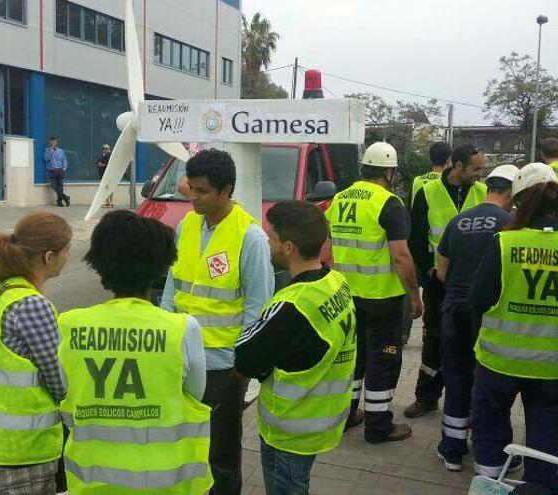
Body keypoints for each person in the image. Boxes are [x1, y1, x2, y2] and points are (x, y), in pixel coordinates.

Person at [57, 210, 212, 494]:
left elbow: (70, 388)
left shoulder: (70, 325)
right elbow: (195, 394)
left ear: (102, 267)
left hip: (93, 482)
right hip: (168, 482)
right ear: (160, 267)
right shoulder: (182, 329)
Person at [467, 163, 558, 486]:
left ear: (520, 202)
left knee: (491, 431)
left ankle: (491, 484)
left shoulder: (504, 243)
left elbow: (477, 300)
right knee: (545, 440)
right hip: (554, 369)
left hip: (499, 363)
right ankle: (538, 488)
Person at [161, 148, 273, 495]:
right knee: (181, 445)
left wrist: (242, 369)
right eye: (191, 188)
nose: (192, 197)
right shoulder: (187, 225)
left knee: (220, 453)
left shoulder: (250, 237)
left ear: (226, 190)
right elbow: (170, 288)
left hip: (223, 367)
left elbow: (258, 309)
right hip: (178, 360)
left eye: (202, 191)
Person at [235, 200, 356, 495]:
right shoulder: (336, 282)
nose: (268, 242)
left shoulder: (292, 305)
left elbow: (245, 357)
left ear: (288, 247)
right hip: (322, 418)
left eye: (272, 237)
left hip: (290, 427)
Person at [0, 212, 71, 495]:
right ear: (49, 257)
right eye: (67, 250)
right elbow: (60, 382)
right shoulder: (31, 305)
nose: (68, 256)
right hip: (25, 451)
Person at [326, 141, 422, 443]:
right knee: (383, 358)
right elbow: (401, 256)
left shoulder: (339, 199)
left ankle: (347, 414)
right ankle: (379, 425)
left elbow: (326, 249)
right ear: (389, 172)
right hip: (382, 298)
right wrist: (415, 296)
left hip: (346, 295)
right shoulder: (389, 202)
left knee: (353, 356)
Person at [433, 164, 518, 472]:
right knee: (489, 385)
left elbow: (441, 272)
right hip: (489, 315)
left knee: (455, 377)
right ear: (510, 192)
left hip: (453, 310)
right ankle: (490, 450)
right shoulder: (512, 223)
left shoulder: (457, 222)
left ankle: (452, 450)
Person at [405, 143, 486, 418]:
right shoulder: (428, 192)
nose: (480, 174)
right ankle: (426, 397)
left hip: (474, 284)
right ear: (458, 165)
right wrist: (428, 269)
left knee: (473, 341)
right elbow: (415, 237)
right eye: (475, 169)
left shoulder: (483, 193)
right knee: (434, 340)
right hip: (439, 284)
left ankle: (469, 399)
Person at [401, 142, 452, 344]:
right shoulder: (450, 182)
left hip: (422, 248)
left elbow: (414, 213)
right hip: (444, 249)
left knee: (420, 290)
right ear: (449, 159)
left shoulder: (417, 181)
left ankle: (413, 331)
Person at [43, 137, 70, 207]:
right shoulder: (47, 150)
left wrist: (64, 169)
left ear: (56, 142)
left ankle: (59, 202)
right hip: (51, 171)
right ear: (50, 143)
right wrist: (51, 152)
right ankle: (65, 197)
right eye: (51, 142)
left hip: (59, 170)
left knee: (60, 187)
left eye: (54, 142)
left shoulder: (60, 151)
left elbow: (64, 161)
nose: (53, 144)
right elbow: (46, 159)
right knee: (54, 186)